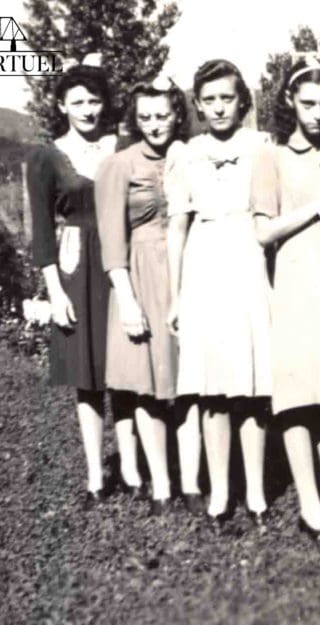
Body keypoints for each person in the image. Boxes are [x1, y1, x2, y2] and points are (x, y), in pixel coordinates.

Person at [25, 58, 141, 506]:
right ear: (61, 105)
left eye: (95, 100)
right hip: (76, 266)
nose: (89, 110)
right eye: (78, 102)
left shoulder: (124, 145)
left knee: (127, 367)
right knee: (87, 374)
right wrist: (54, 291)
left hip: (122, 261)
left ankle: (132, 468)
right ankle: (96, 475)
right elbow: (41, 230)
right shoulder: (46, 156)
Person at [249, 59, 320, 539]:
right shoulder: (272, 156)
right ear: (290, 101)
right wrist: (316, 205)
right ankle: (309, 502)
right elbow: (262, 230)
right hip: (292, 282)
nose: (317, 114)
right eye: (308, 104)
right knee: (296, 394)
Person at [165, 60, 272, 528]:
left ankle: (256, 492)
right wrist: (174, 295)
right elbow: (177, 225)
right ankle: (220, 493)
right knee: (211, 387)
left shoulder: (262, 147)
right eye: (208, 99)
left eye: (226, 97)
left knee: (251, 384)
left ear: (242, 100)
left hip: (249, 260)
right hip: (204, 266)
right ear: (198, 104)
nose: (218, 107)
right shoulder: (185, 154)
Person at [95, 77, 185, 516]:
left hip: (188, 272)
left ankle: (193, 477)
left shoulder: (188, 155)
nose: (154, 124)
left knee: (188, 382)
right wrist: (127, 301)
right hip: (144, 278)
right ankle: (163, 486)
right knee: (149, 386)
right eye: (145, 116)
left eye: (162, 115)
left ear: (177, 113)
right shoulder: (119, 165)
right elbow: (112, 243)